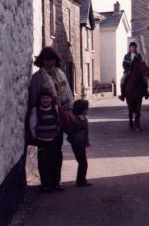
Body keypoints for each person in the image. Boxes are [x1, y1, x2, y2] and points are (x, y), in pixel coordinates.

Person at [29, 47, 74, 191]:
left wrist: (69, 110)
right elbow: (33, 98)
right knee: (43, 154)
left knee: (56, 151)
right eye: (47, 60)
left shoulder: (61, 74)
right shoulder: (37, 77)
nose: (50, 62)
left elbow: (67, 93)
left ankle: (56, 180)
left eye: (52, 60)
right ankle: (45, 182)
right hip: (43, 121)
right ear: (42, 61)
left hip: (58, 120)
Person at [29, 88, 65, 192]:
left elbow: (59, 122)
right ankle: (45, 184)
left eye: (48, 98)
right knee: (43, 163)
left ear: (51, 99)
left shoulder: (55, 109)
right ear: (39, 99)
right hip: (42, 141)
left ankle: (56, 183)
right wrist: (35, 137)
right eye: (43, 98)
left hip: (53, 140)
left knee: (55, 162)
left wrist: (57, 134)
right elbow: (33, 125)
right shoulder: (36, 110)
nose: (45, 100)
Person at [67, 99, 92, 187]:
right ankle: (80, 181)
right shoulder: (75, 120)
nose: (87, 110)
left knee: (83, 162)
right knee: (83, 163)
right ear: (83, 109)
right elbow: (69, 131)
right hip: (77, 144)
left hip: (82, 144)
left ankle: (81, 180)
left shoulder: (84, 119)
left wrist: (87, 141)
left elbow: (86, 132)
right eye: (86, 108)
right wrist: (73, 140)